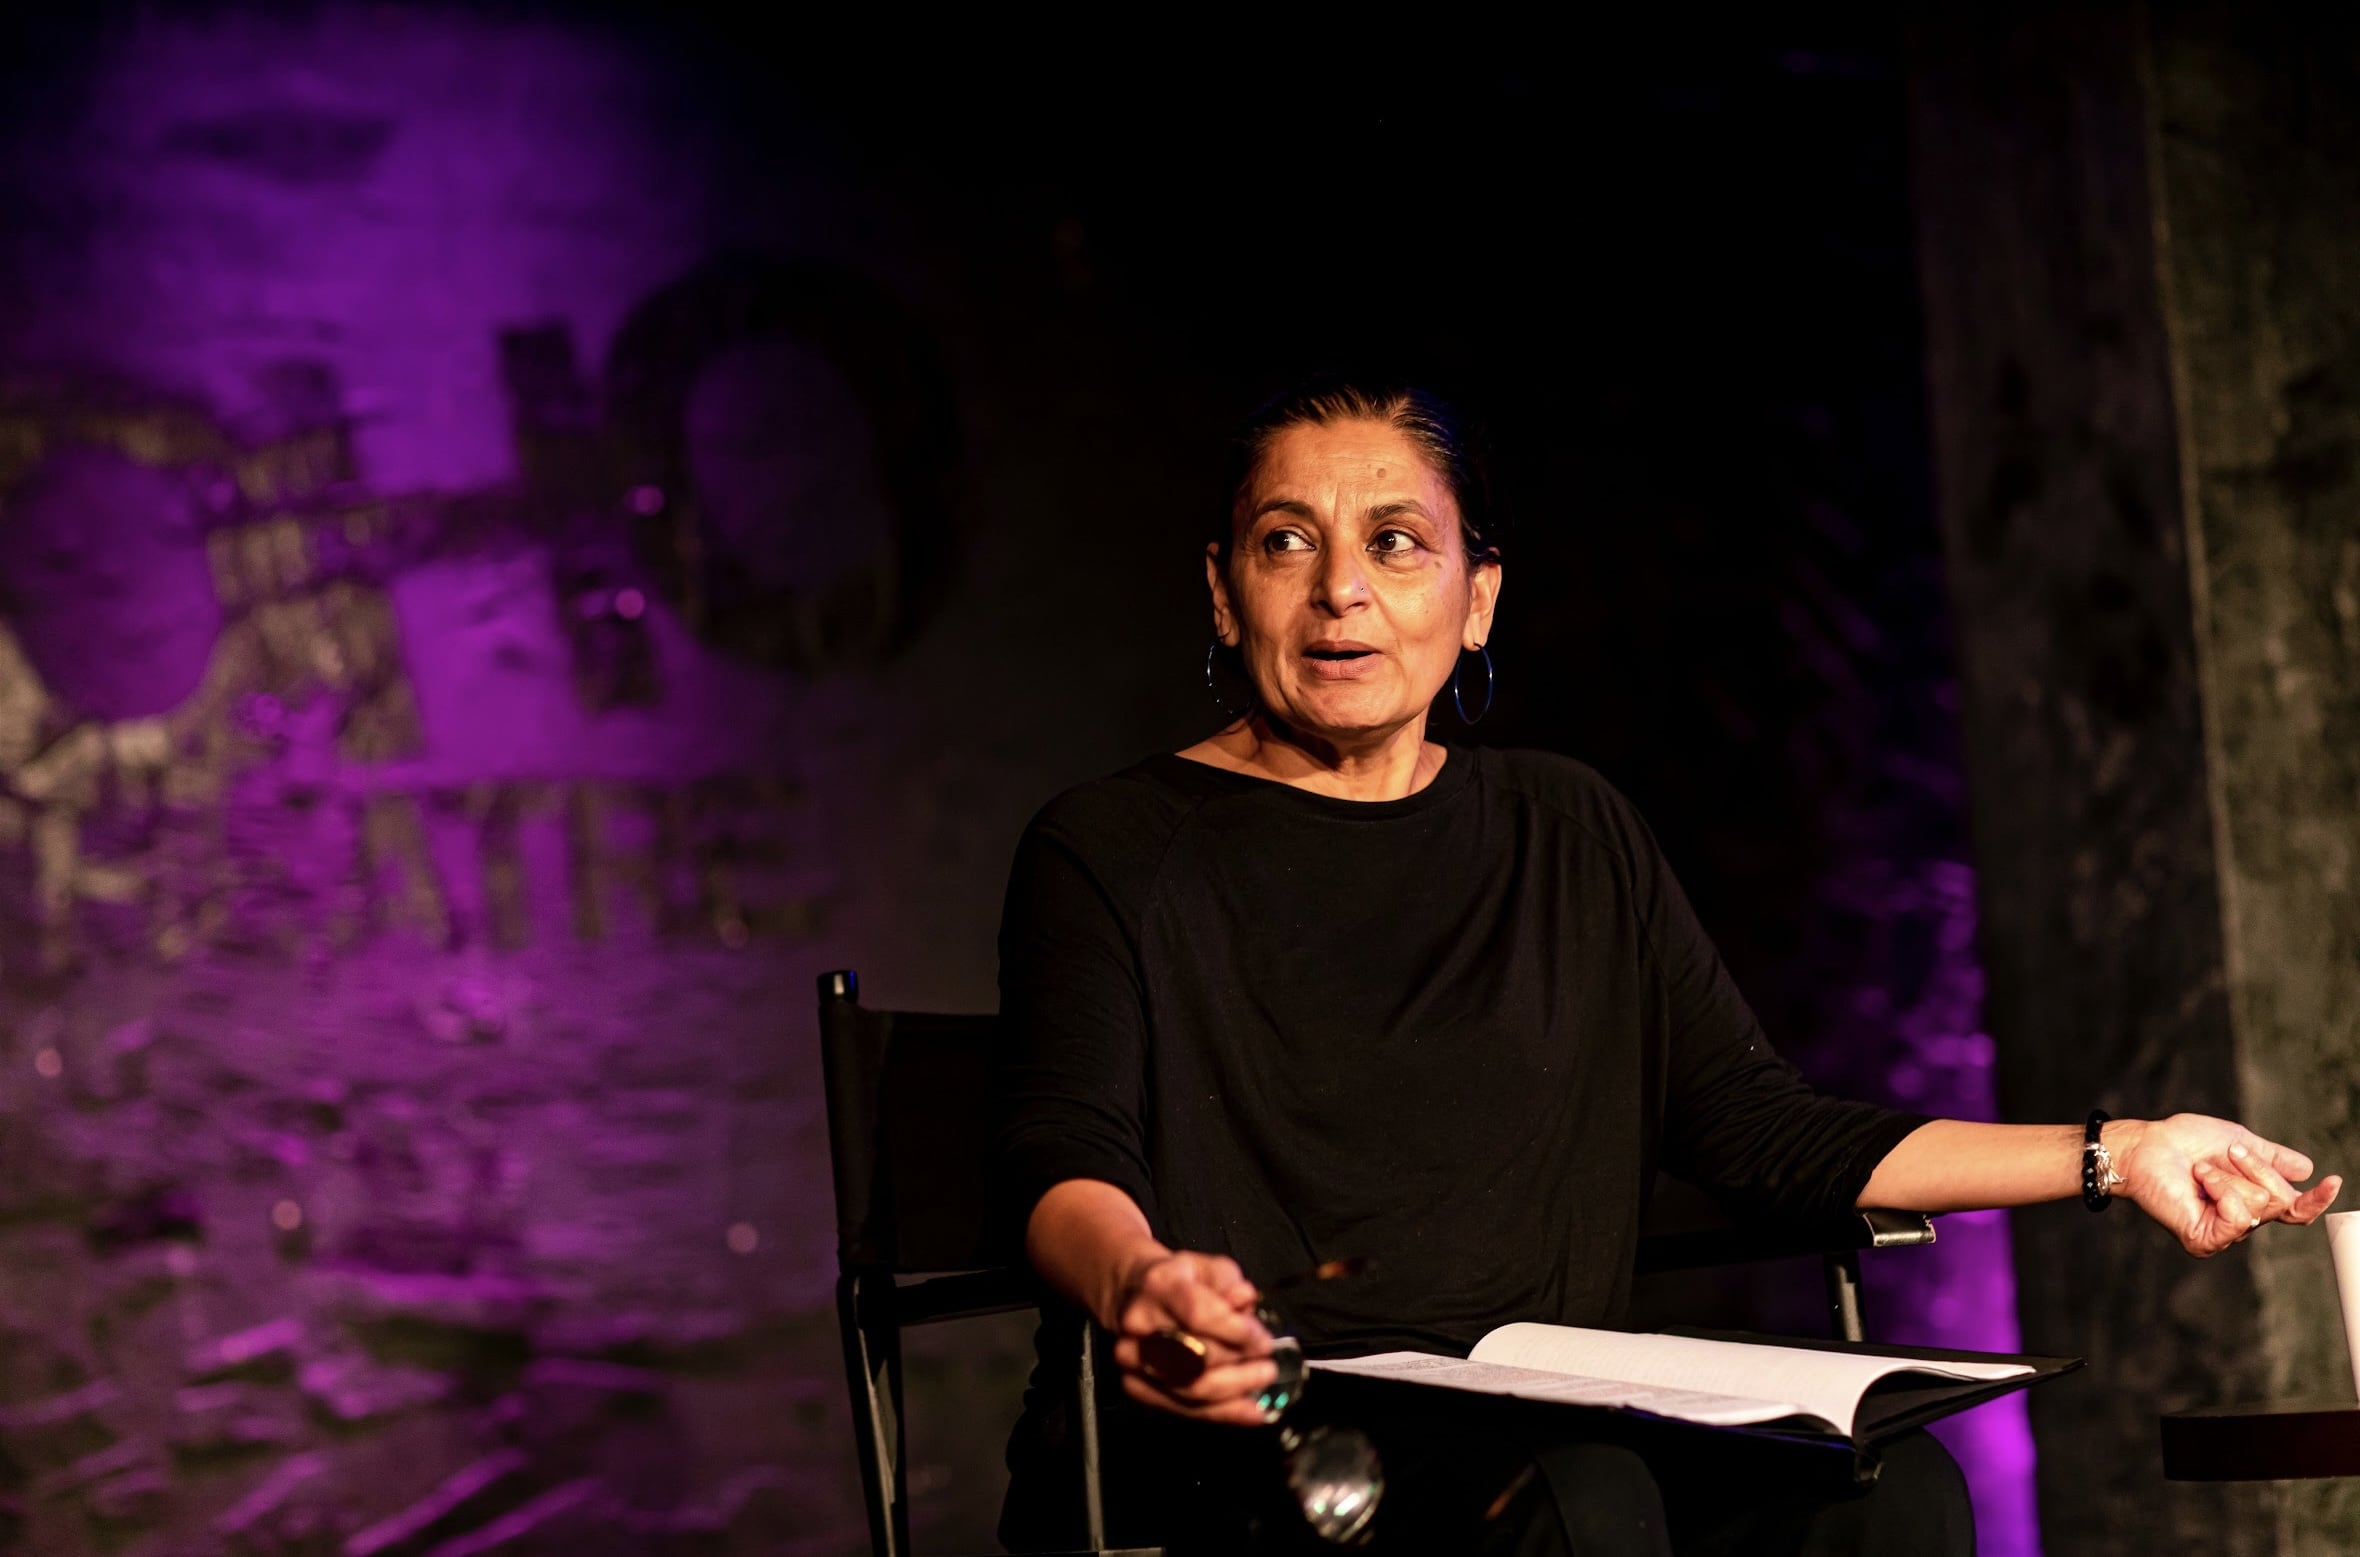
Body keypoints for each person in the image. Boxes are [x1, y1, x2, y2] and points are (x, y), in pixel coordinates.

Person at [992, 379, 2341, 1555]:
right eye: (1287, 541)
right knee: (1577, 1499)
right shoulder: (1115, 846)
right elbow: (1064, 1154)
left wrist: (2120, 1151)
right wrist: (1140, 1283)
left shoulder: (1568, 830)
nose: (1341, 587)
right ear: (1224, 591)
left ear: (1478, 598)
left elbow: (1756, 1124)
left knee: (1887, 1496)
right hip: (1255, 1431)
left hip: (1544, 1408)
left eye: (1396, 542)